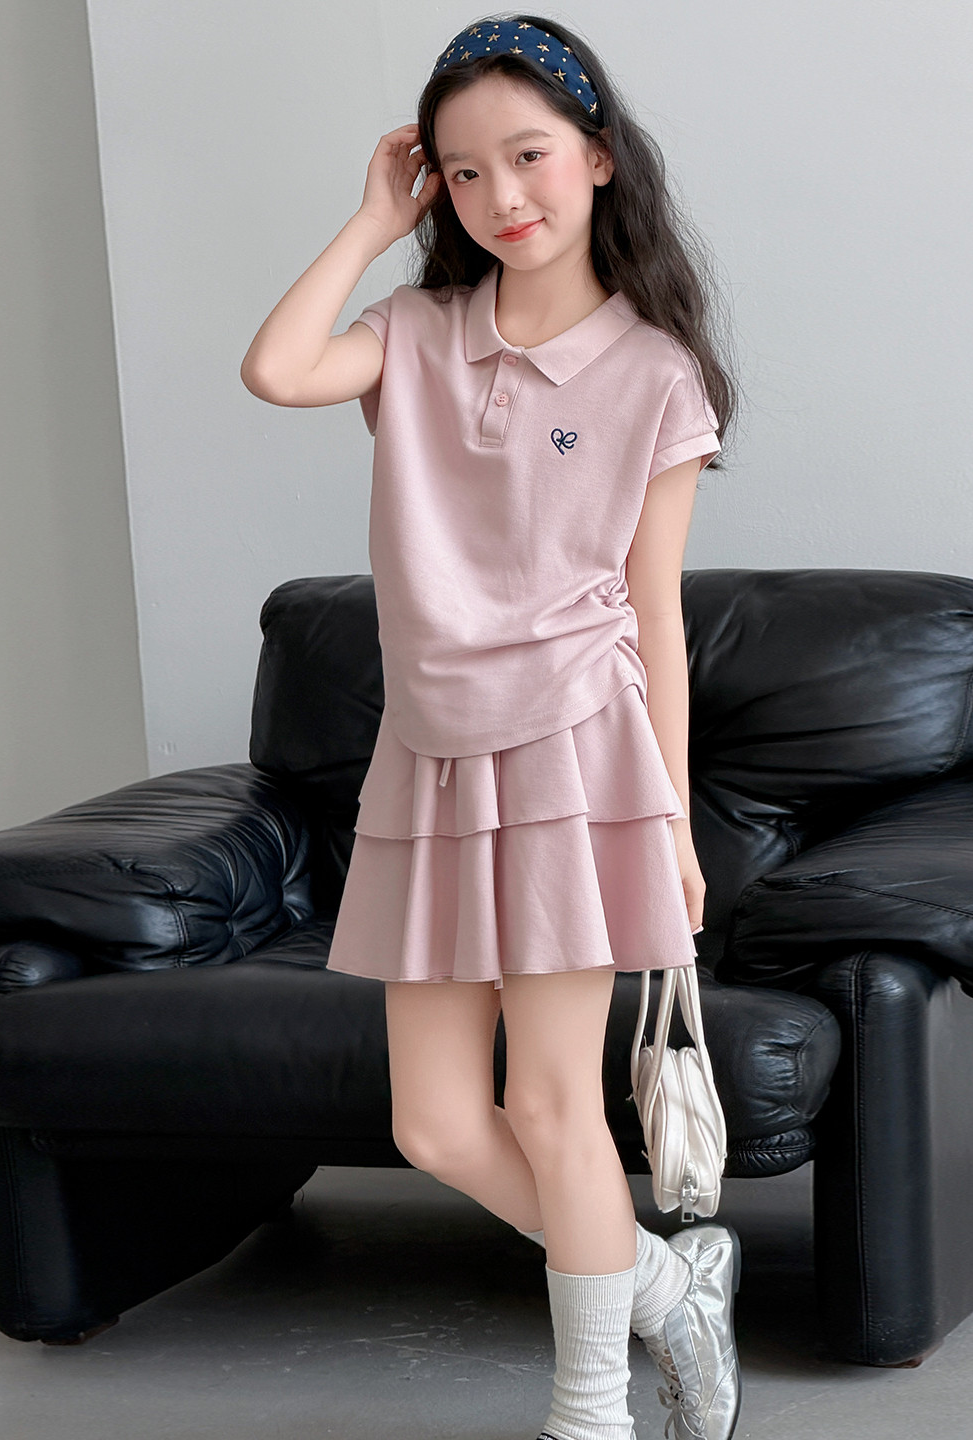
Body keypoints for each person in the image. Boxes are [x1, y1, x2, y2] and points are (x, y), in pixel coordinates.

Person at [241, 14, 742, 1440]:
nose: (501, 195)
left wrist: (672, 819)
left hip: (576, 752)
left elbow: (655, 614)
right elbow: (277, 369)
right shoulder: (413, 337)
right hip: (431, 755)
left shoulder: (656, 374)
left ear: (598, 156)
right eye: (462, 173)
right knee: (434, 1125)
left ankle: (592, 1412)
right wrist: (370, 223)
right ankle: (667, 1286)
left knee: (550, 1107)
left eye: (528, 156)